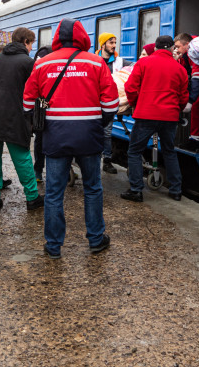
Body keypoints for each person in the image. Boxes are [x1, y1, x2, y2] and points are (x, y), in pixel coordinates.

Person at [24, 19, 118, 259]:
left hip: (55, 135)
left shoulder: (43, 63)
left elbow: (27, 102)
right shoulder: (96, 62)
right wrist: (98, 123)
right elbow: (111, 103)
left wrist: (40, 120)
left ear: (57, 37)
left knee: (54, 192)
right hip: (89, 135)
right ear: (83, 37)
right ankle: (96, 239)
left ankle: (53, 246)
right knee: (93, 188)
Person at [0, 28, 42, 213]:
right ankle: (32, 197)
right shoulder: (28, 62)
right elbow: (33, 91)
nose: (31, 48)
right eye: (31, 43)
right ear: (26, 42)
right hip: (14, 116)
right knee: (22, 158)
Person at [122, 35, 189, 202]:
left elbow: (130, 87)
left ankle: (136, 190)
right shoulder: (180, 69)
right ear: (172, 48)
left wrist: (135, 103)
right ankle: (176, 191)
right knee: (169, 151)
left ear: (156, 48)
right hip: (170, 117)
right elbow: (183, 97)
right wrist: (176, 109)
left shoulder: (143, 63)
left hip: (146, 115)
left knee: (135, 151)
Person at [95, 32, 129, 174]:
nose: (114, 45)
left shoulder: (120, 61)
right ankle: (92, 159)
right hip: (94, 102)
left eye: (115, 42)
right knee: (93, 132)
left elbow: (136, 68)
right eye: (111, 43)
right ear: (103, 44)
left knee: (107, 133)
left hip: (110, 102)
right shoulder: (94, 60)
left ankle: (107, 161)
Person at [31, 45, 52, 185]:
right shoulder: (45, 53)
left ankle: (64, 169)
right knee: (40, 138)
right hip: (42, 103)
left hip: (50, 103)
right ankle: (38, 169)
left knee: (45, 138)